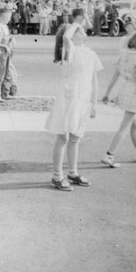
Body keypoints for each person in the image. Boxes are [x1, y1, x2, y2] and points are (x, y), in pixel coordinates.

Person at [45, 24, 103, 191]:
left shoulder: (91, 53)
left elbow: (94, 80)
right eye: (79, 29)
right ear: (72, 34)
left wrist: (94, 103)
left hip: (83, 99)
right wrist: (74, 24)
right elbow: (66, 38)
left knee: (76, 137)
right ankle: (57, 176)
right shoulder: (69, 50)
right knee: (63, 137)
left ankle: (73, 172)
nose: (83, 30)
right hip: (69, 97)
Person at [101, 30, 136, 168]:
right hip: (134, 94)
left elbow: (115, 75)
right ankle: (109, 155)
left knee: (133, 124)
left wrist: (107, 93)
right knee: (124, 127)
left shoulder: (123, 55)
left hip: (123, 92)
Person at [0, 7, 17, 102]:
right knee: (0, 73)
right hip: (0, 53)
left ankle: (5, 93)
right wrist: (4, 46)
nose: (10, 19)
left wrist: (10, 41)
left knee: (7, 73)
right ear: (3, 16)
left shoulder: (5, 26)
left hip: (6, 52)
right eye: (9, 16)